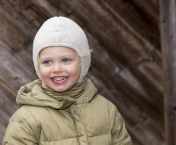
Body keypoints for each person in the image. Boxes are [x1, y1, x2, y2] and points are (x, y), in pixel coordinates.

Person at [3, 16, 133, 145]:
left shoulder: (107, 110)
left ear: (83, 62)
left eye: (66, 60)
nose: (57, 69)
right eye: (47, 62)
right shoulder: (26, 119)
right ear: (38, 66)